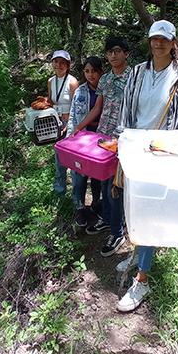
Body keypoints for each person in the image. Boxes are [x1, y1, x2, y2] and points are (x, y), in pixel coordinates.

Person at [114, 19, 178, 313]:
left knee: (150, 214)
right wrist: (121, 145)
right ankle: (140, 253)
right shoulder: (137, 73)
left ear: (174, 43)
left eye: (164, 39)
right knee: (135, 208)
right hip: (136, 152)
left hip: (164, 156)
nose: (158, 43)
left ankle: (142, 279)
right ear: (149, 41)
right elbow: (126, 112)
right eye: (154, 39)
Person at [73, 38, 131, 258]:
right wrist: (79, 127)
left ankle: (118, 232)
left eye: (117, 51)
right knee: (104, 180)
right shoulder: (105, 79)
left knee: (115, 186)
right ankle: (108, 220)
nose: (113, 56)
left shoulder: (135, 77)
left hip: (123, 138)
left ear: (126, 53)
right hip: (103, 137)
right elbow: (98, 107)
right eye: (109, 52)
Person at [66, 56, 104, 227]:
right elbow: (73, 115)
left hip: (101, 138)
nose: (90, 75)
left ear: (101, 72)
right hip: (82, 139)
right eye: (87, 71)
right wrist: (69, 138)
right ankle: (80, 207)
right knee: (79, 174)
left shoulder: (107, 90)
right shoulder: (80, 91)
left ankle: (97, 203)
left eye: (94, 71)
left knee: (97, 174)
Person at [48, 50, 78, 195]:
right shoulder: (51, 81)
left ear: (68, 65)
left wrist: (69, 125)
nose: (58, 65)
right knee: (58, 155)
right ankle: (59, 189)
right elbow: (50, 102)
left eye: (62, 62)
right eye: (56, 62)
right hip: (55, 123)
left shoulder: (72, 82)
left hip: (69, 122)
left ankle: (76, 193)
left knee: (70, 157)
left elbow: (77, 106)